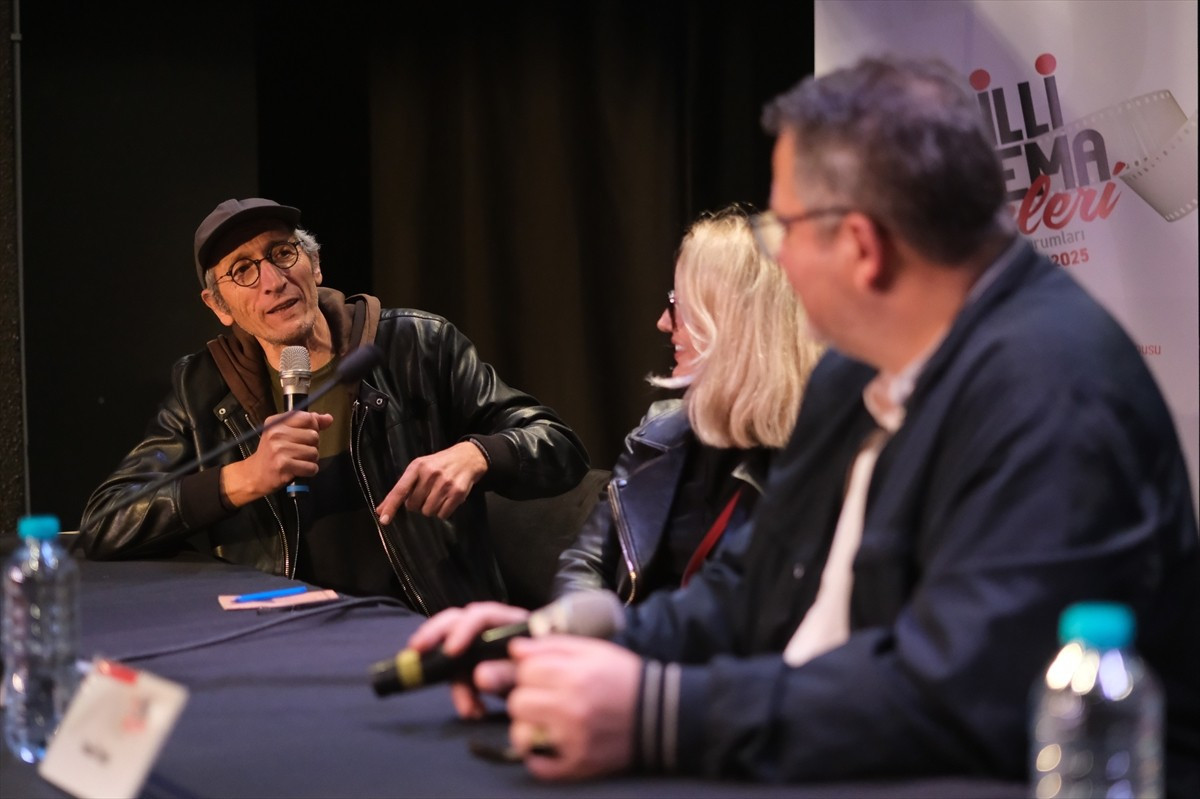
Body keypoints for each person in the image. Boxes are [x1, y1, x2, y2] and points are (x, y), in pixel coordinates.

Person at [410, 56, 1200, 791]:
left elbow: (962, 698)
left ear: (861, 246)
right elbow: (749, 591)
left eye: (785, 229)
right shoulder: (855, 370)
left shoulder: (1053, 393)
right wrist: (577, 642)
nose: (777, 261)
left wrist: (658, 711)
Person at [79, 198, 589, 614]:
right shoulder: (202, 391)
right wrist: (243, 479)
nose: (273, 281)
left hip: (422, 623)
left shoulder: (416, 346)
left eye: (282, 254)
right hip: (281, 639)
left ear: (315, 264)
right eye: (243, 271)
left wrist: (478, 454)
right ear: (218, 306)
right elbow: (107, 521)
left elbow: (561, 450)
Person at [552, 205, 822, 603]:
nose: (663, 322)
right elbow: (585, 562)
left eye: (677, 303)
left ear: (733, 320)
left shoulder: (821, 459)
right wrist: (578, 638)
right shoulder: (656, 434)